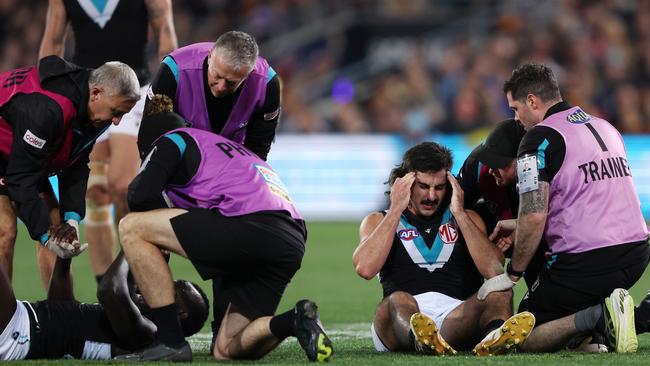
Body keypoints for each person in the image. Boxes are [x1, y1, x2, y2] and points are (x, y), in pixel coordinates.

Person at [114, 95, 333, 362]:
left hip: (250, 223)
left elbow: (139, 194)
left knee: (132, 227)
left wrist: (154, 245)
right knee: (226, 348)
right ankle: (295, 320)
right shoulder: (226, 148)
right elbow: (221, 245)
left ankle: (170, 341)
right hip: (290, 239)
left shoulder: (173, 138)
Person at [479, 63, 650, 353]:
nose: (516, 118)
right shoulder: (605, 127)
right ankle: (619, 319)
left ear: (532, 101)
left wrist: (514, 274)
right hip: (637, 253)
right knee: (571, 329)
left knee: (523, 334)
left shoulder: (537, 140)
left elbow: (534, 214)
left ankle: (604, 316)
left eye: (515, 108)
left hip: (587, 262)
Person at [39, 0, 178, 286]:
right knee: (97, 194)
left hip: (134, 92)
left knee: (123, 188)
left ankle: (136, 277)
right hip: (89, 96)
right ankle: (109, 290)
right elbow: (53, 41)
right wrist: (46, 95)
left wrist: (170, 92)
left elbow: (165, 33)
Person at [352, 141, 535, 356]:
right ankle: (419, 338)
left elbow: (494, 271)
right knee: (396, 300)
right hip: (401, 317)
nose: (432, 196)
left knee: (500, 290)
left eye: (439, 187)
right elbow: (365, 268)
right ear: (404, 182)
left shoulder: (468, 218)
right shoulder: (378, 220)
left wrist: (459, 213)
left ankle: (495, 338)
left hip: (454, 318)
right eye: (423, 186)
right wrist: (395, 209)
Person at [0, 56, 140, 282]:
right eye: (116, 112)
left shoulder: (94, 109)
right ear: (96, 93)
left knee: (59, 230)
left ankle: (61, 312)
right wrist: (46, 236)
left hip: (21, 152)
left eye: (122, 114)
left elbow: (75, 164)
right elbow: (20, 179)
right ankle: (5, 316)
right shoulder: (48, 109)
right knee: (5, 230)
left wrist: (72, 219)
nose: (116, 122)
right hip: (7, 151)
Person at [0, 251, 208, 360]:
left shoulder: (149, 336)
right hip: (21, 325)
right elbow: (60, 307)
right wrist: (64, 261)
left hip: (18, 334)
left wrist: (133, 244)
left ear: (180, 313)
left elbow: (111, 289)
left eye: (171, 287)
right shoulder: (133, 318)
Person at [144, 30, 280, 162]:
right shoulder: (173, 70)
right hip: (176, 159)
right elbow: (151, 133)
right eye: (217, 75)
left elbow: (258, 151)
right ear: (209, 56)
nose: (221, 87)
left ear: (248, 74)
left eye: (231, 82)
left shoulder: (267, 85)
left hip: (231, 163)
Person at [458, 118, 545, 289]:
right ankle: (466, 297)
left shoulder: (543, 171)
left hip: (542, 236)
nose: (491, 170)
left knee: (539, 303)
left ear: (523, 160)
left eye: (499, 164)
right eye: (489, 162)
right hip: (496, 231)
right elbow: (457, 206)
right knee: (465, 219)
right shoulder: (476, 165)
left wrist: (522, 228)